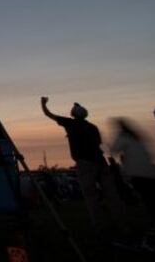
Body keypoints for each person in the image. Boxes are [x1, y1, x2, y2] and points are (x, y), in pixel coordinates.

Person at [41, 97, 125, 232]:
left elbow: (48, 114)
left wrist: (43, 104)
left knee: (91, 196)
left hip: (85, 164)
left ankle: (99, 226)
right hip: (101, 162)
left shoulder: (70, 124)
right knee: (111, 194)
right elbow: (100, 144)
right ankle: (120, 222)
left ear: (73, 114)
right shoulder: (92, 127)